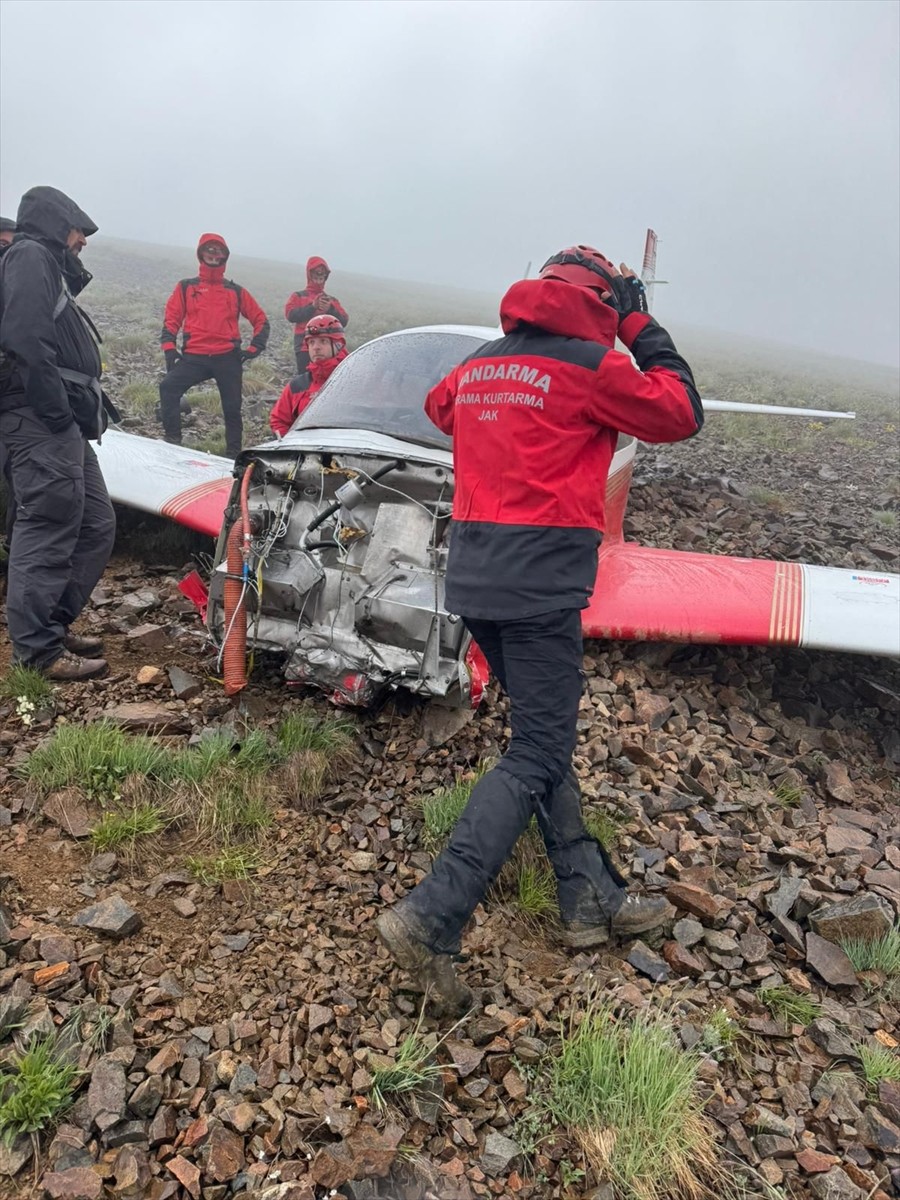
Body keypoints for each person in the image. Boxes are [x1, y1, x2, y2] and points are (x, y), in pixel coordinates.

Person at [376, 244, 705, 1015]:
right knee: (538, 749)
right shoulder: (594, 364)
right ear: (602, 298)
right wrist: (639, 323)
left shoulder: (485, 361)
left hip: (476, 581)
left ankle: (587, 895)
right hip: (541, 584)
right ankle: (433, 914)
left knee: (540, 737)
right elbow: (681, 412)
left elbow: (440, 406)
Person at [0, 186, 117, 681]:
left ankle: (51, 622)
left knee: (95, 522)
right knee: (47, 523)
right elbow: (25, 339)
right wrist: (53, 413)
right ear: (55, 222)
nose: (83, 240)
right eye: (78, 229)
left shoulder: (42, 261)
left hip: (53, 421)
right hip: (38, 418)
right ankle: (37, 652)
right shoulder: (29, 254)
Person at [158, 234, 270, 458]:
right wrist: (169, 347)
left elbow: (261, 320)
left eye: (218, 250)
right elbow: (172, 318)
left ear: (225, 256)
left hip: (227, 357)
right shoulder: (186, 287)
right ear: (200, 253)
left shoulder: (235, 291)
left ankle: (233, 455)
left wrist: (254, 348)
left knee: (232, 408)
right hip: (194, 357)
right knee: (168, 388)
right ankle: (173, 442)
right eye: (209, 249)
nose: (213, 254)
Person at [269, 315, 348, 437]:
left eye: (323, 341)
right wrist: (290, 446)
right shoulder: (297, 386)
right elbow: (279, 420)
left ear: (338, 345)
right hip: (307, 453)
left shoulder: (354, 382)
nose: (316, 347)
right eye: (311, 342)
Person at [284, 257, 348, 373]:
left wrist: (330, 309)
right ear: (309, 274)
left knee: (326, 380)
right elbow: (290, 315)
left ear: (325, 277)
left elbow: (344, 321)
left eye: (322, 276)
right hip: (304, 346)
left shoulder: (331, 300)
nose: (319, 278)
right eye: (316, 275)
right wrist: (312, 307)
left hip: (328, 347)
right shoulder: (298, 296)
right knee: (306, 380)